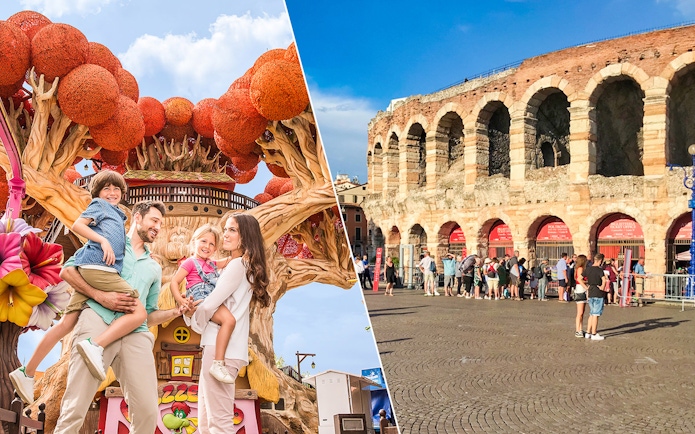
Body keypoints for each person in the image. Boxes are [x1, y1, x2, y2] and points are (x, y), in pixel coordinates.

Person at [10, 171, 149, 403]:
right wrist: (102, 240)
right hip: (99, 270)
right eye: (107, 189)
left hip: (89, 269)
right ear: (97, 192)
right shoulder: (100, 206)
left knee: (66, 323)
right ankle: (95, 346)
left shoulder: (116, 214)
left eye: (116, 189)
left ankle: (28, 371)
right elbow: (77, 224)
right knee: (138, 310)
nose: (112, 193)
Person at [53, 200, 186, 433]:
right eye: (154, 220)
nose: (158, 227)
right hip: (98, 319)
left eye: (161, 224)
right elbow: (68, 271)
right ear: (137, 217)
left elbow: (149, 314)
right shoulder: (106, 241)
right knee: (76, 404)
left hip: (136, 335)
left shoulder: (154, 268)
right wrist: (100, 296)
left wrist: (175, 312)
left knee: (147, 411)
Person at [185, 213, 271, 433]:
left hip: (219, 349)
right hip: (227, 347)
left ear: (245, 237)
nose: (225, 234)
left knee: (218, 421)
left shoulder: (237, 266)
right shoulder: (243, 265)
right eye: (225, 229)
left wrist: (194, 322)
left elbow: (208, 305)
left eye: (232, 230)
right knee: (206, 420)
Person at [169, 224, 236, 383]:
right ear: (194, 242)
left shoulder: (212, 264)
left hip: (212, 297)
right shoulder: (190, 263)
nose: (207, 246)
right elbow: (174, 281)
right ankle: (218, 363)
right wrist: (181, 300)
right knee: (229, 321)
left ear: (215, 248)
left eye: (212, 244)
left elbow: (230, 260)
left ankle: (219, 359)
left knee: (228, 322)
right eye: (203, 241)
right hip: (200, 298)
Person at [584, 253, 608, 341]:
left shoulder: (588, 269)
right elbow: (604, 280)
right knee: (596, 314)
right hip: (598, 293)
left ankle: (588, 332)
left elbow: (579, 278)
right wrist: (602, 287)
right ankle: (594, 333)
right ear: (600, 261)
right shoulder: (599, 270)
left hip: (591, 292)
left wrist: (586, 287)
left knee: (591, 313)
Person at [573, 255, 589, 338]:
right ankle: (577, 330)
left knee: (582, 312)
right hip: (580, 289)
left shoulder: (580, 268)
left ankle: (580, 329)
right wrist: (586, 284)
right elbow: (579, 279)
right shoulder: (580, 269)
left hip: (581, 289)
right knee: (579, 312)